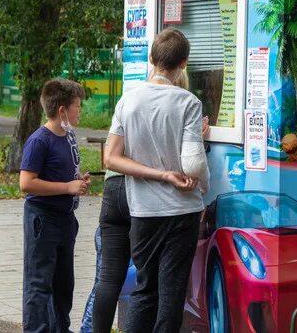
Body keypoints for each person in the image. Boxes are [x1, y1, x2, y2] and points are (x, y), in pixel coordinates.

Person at [81, 68, 208, 333]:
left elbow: (113, 156)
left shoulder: (129, 100)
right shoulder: (185, 103)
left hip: (113, 188)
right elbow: (191, 161)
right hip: (146, 197)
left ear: (152, 60)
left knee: (115, 280)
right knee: (168, 291)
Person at [20, 78, 90, 333]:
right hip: (43, 219)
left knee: (64, 282)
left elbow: (62, 175)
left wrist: (77, 182)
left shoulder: (68, 137)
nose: (79, 110)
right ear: (62, 111)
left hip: (65, 220)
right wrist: (67, 188)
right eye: (77, 106)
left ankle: (61, 328)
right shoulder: (40, 140)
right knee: (40, 282)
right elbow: (26, 183)